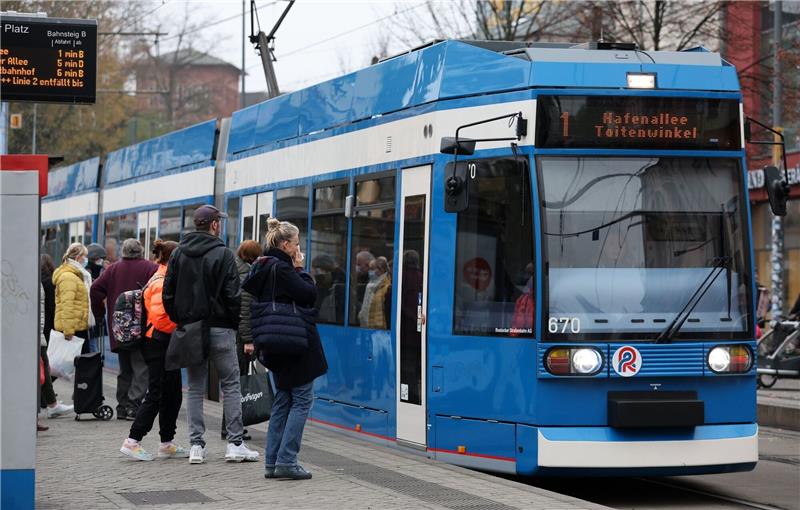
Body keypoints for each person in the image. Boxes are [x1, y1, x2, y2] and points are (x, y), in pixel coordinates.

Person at [162, 204, 258, 464]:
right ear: (214, 224)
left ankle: (196, 446)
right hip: (221, 329)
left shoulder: (178, 254)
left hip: (191, 329)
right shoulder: (224, 254)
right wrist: (231, 322)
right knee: (231, 384)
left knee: (194, 387)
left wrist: (182, 320)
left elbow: (167, 294)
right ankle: (235, 444)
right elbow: (233, 295)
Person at [243, 218, 327, 480]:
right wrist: (301, 268)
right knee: (302, 401)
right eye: (297, 244)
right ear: (286, 244)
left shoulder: (262, 266)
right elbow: (308, 294)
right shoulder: (284, 269)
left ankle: (272, 461)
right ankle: (287, 460)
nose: (298, 249)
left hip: (274, 343)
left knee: (283, 400)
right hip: (293, 343)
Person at [120, 240, 189, 461]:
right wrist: (181, 322)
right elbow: (161, 319)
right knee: (157, 393)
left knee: (173, 394)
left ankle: (166, 442)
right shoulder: (162, 281)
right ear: (174, 258)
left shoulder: (166, 276)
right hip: (158, 343)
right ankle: (132, 441)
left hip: (164, 344)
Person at [91, 239, 157, 420]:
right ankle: (133, 407)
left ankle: (121, 407)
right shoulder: (150, 268)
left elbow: (95, 289)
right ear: (140, 251)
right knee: (141, 368)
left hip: (119, 328)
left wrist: (100, 311)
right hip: (141, 328)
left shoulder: (113, 269)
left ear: (124, 252)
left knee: (125, 369)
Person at [220, 239, 263, 441]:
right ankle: (231, 428)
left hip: (231, 331)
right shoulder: (245, 273)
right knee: (236, 382)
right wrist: (248, 339)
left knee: (233, 382)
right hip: (239, 336)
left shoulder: (233, 267)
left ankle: (230, 426)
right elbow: (245, 310)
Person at [38, 281, 72, 426]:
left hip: (39, 333)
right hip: (37, 335)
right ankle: (51, 405)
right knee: (42, 371)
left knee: (43, 370)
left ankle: (51, 404)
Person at [52, 243, 94, 355]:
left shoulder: (76, 275)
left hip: (78, 327)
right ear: (78, 257)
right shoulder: (68, 277)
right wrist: (68, 331)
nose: (86, 259)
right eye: (85, 256)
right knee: (74, 366)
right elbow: (67, 304)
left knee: (80, 366)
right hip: (73, 330)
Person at [358, 256, 391, 329]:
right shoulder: (371, 285)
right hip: (367, 326)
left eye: (372, 269)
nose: (370, 272)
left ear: (381, 270)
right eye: (369, 269)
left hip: (378, 328)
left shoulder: (386, 287)